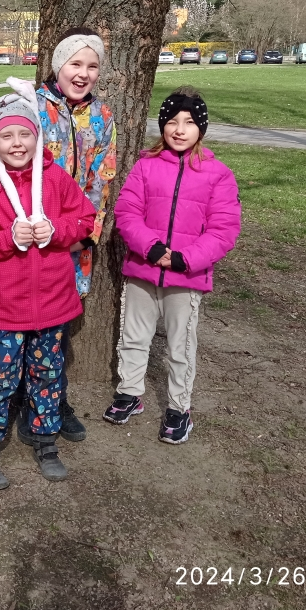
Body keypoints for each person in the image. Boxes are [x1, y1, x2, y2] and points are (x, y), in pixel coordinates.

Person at [0, 77, 96, 490]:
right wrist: (7, 239)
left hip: (54, 303)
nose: (17, 143)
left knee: (48, 375)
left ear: (37, 137)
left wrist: (57, 230)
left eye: (24, 134)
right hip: (7, 307)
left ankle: (45, 441)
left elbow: (85, 220)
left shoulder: (56, 180)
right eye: (7, 136)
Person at [104, 87, 241, 444]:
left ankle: (179, 407)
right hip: (143, 269)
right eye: (173, 122)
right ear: (163, 125)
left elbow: (223, 230)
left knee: (180, 346)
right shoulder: (145, 166)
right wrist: (151, 249)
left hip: (186, 276)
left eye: (189, 122)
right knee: (134, 337)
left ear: (201, 128)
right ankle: (130, 392)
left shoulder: (218, 174)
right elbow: (127, 213)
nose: (180, 130)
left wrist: (184, 258)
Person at [14, 27, 117, 445]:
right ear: (59, 65)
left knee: (54, 327)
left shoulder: (102, 116)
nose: (83, 73)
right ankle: (19, 397)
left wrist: (86, 233)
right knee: (22, 320)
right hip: (29, 237)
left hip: (73, 242)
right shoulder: (31, 106)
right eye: (76, 63)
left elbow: (102, 179)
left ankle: (52, 399)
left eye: (92, 66)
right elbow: (9, 166)